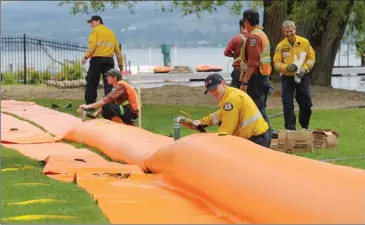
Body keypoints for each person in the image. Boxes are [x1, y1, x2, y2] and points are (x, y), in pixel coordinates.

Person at [192, 73, 271, 148]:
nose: (213, 93)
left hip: (257, 139)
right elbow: (220, 114)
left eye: (215, 89)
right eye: (210, 91)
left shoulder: (231, 100)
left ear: (223, 84)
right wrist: (202, 122)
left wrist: (215, 145)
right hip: (259, 136)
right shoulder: (230, 94)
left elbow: (226, 131)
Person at [273, 20, 315, 130]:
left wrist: (304, 69)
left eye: (290, 31)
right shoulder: (281, 46)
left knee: (306, 103)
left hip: (302, 76)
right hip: (287, 78)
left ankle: (305, 124)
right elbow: (276, 63)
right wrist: (286, 67)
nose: (289, 34)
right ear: (283, 32)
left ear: (295, 30)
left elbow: (311, 58)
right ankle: (290, 128)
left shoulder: (304, 42)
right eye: (286, 32)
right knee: (287, 104)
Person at [239, 9, 273, 141]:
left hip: (256, 78)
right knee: (258, 108)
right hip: (262, 76)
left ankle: (266, 137)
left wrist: (245, 81)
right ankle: (262, 136)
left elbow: (253, 62)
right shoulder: (261, 34)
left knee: (258, 109)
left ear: (246, 21)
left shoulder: (254, 37)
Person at [83, 15, 124, 106]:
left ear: (98, 21)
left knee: (92, 82)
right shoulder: (111, 33)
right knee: (109, 83)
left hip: (96, 61)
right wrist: (121, 65)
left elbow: (92, 46)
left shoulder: (95, 31)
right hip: (109, 61)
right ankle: (110, 105)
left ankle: (90, 105)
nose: (91, 25)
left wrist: (86, 57)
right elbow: (117, 50)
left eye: (92, 22)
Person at [224, 19, 249, 89]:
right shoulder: (254, 37)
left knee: (234, 93)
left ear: (241, 26)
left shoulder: (236, 38)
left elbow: (226, 52)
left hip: (238, 69)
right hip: (251, 70)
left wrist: (234, 55)